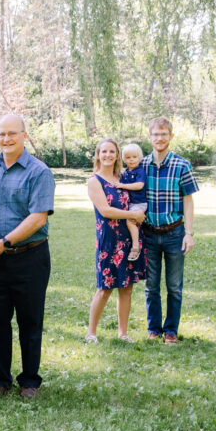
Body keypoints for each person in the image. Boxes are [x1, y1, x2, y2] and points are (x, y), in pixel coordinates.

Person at [0, 115, 55, 399]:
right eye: (1, 134)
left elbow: (37, 218)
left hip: (29, 258)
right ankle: (0, 379)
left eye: (12, 134)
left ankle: (30, 381)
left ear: (24, 136)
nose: (6, 139)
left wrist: (6, 241)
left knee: (29, 321)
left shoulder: (39, 172)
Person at [140, 117, 198, 344]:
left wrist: (189, 233)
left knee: (174, 286)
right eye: (155, 134)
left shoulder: (182, 165)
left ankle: (171, 329)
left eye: (164, 134)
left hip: (175, 233)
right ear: (149, 137)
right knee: (151, 286)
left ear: (171, 137)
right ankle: (153, 328)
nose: (160, 138)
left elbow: (188, 200)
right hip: (149, 234)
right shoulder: (142, 165)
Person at [84, 138, 146, 344]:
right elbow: (105, 210)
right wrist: (132, 215)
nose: (108, 155)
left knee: (127, 287)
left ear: (117, 155)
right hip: (109, 240)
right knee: (105, 287)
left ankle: (123, 333)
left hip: (129, 239)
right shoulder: (94, 181)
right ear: (98, 155)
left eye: (112, 151)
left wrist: (137, 216)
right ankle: (91, 332)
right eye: (104, 152)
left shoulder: (123, 178)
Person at [117, 142, 148, 262]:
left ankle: (136, 246)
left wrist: (123, 185)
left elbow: (139, 185)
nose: (131, 160)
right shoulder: (126, 172)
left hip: (139, 203)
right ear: (124, 159)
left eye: (134, 157)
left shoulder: (140, 171)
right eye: (128, 157)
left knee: (130, 222)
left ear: (140, 158)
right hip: (131, 203)